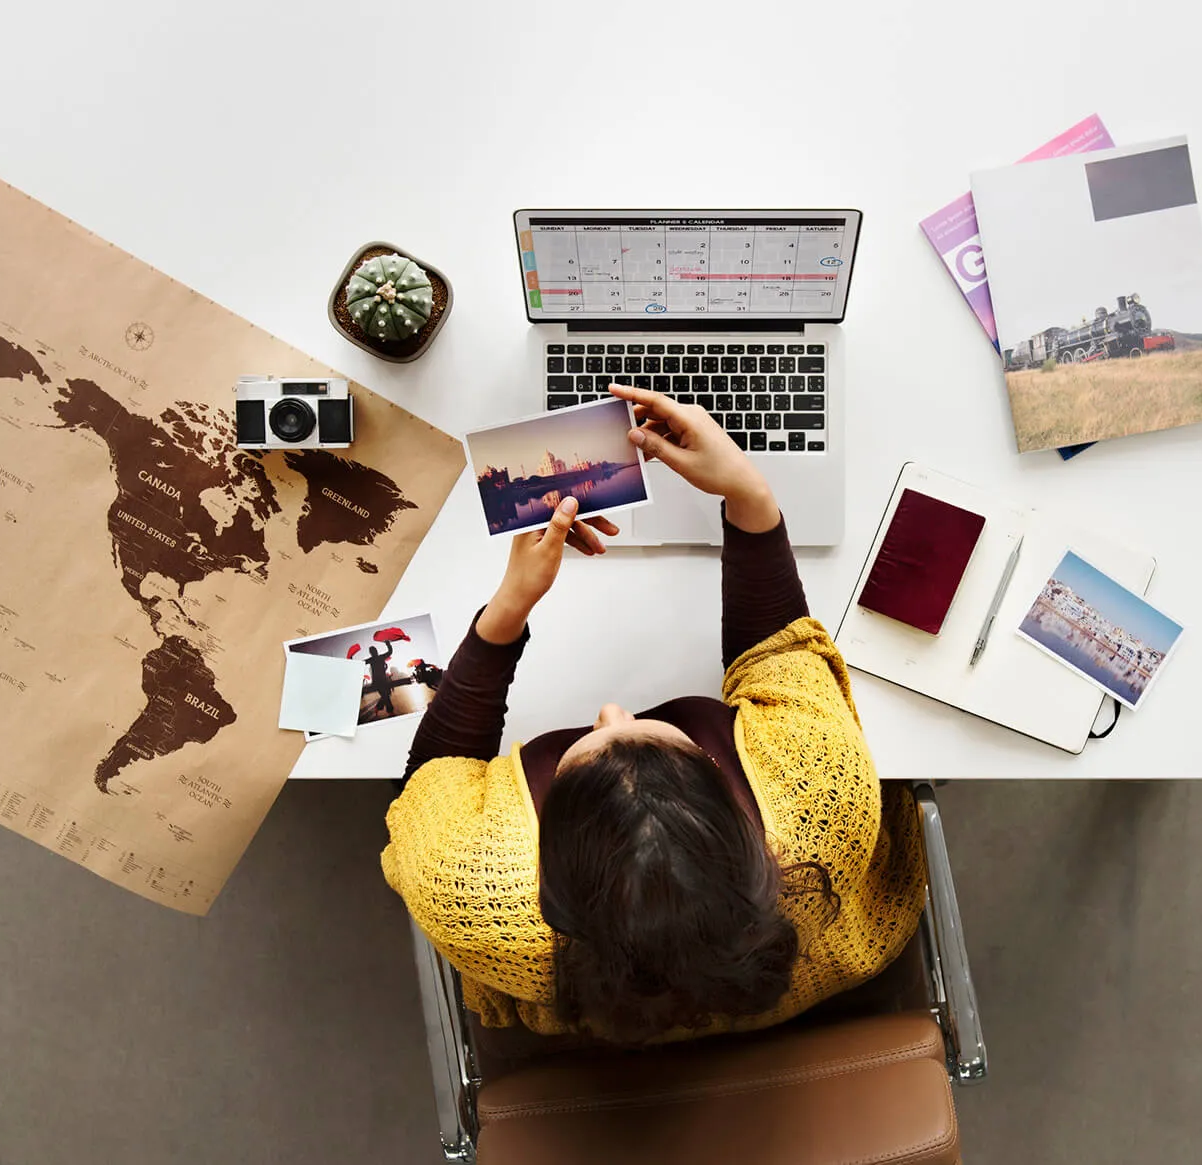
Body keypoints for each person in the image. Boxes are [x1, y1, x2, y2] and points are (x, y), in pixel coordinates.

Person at [382, 384, 926, 1048]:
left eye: (594, 735)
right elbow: (778, 648)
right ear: (731, 802)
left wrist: (507, 610)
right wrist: (748, 492)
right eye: (632, 727)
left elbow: (430, 783)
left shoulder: (472, 885)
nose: (610, 709)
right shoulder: (820, 799)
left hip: (609, 1019)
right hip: (820, 966)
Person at [362, 642, 396, 717]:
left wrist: (388, 644)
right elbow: (390, 652)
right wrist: (388, 644)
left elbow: (390, 652)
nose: (374, 652)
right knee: (386, 696)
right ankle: (390, 712)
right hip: (378, 682)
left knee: (386, 695)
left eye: (374, 650)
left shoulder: (377, 658)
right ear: (372, 652)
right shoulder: (377, 658)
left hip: (383, 680)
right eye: (372, 651)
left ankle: (378, 707)